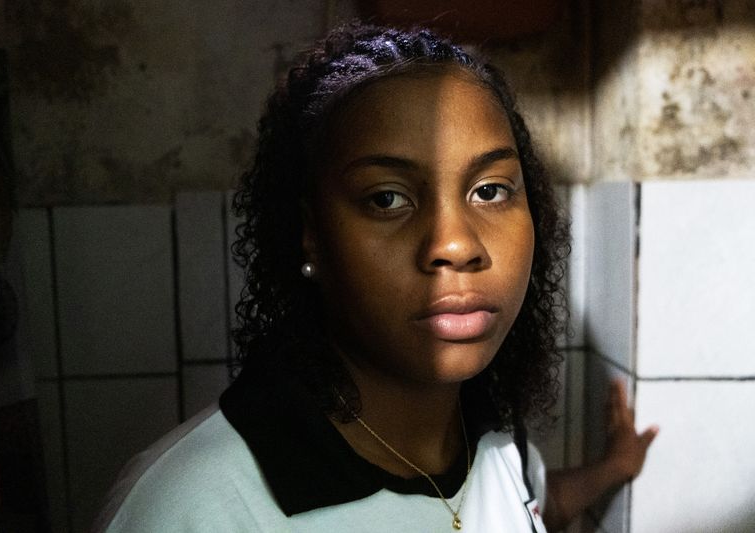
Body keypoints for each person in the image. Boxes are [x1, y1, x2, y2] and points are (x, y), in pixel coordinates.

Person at [93, 23, 657, 532]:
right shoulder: (192, 507)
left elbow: (525, 505)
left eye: (489, 190)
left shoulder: (492, 436)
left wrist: (612, 469)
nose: (455, 244)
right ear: (310, 235)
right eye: (387, 198)